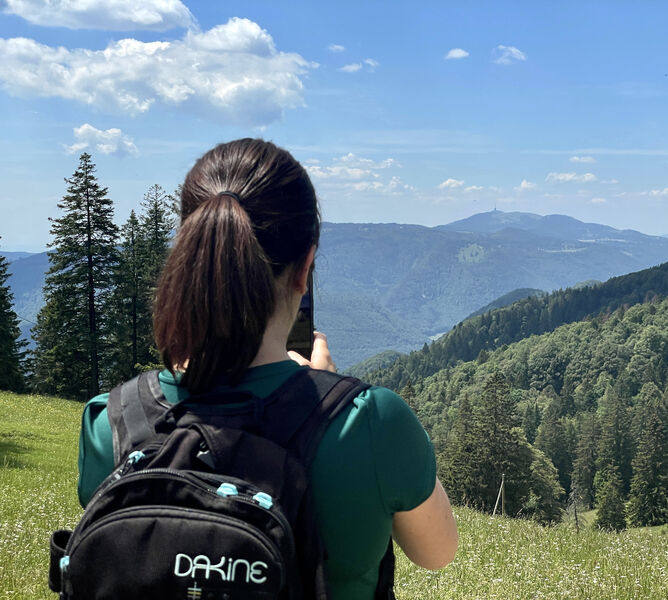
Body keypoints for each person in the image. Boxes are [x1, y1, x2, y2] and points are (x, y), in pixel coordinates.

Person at [76, 138, 458, 599]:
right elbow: (438, 553)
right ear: (305, 268)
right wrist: (326, 393)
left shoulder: (112, 420)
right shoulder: (370, 421)